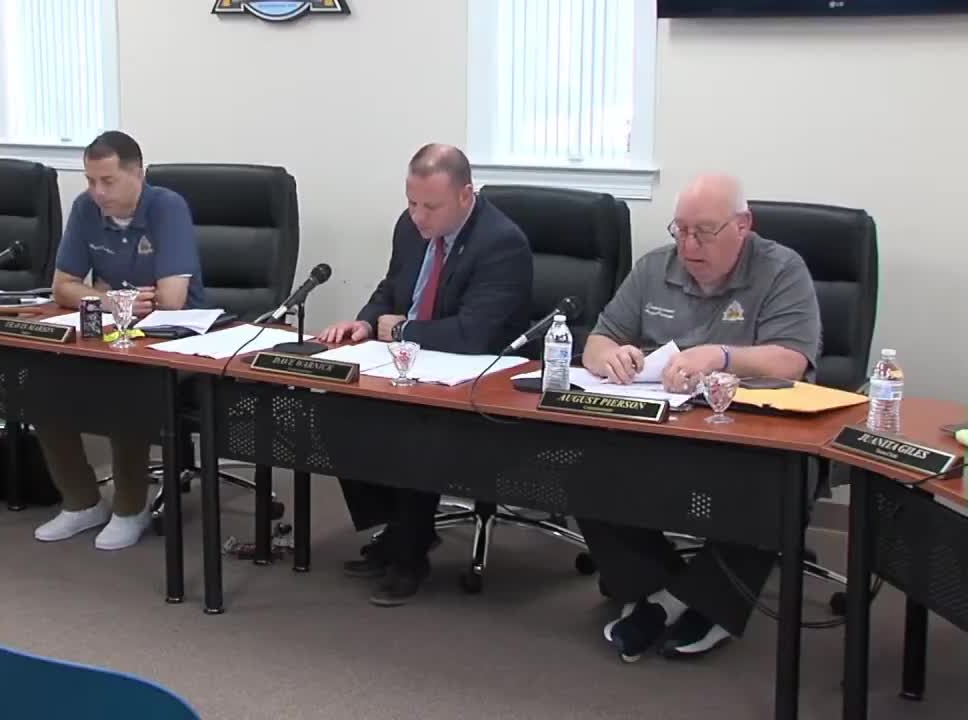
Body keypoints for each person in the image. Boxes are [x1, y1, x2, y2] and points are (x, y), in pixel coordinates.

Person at [577, 173, 821, 661]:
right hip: (665, 420)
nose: (689, 245)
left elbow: (791, 360)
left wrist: (720, 355)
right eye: (681, 230)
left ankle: (702, 607)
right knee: (584, 463)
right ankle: (653, 589)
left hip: (752, 429)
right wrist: (611, 357)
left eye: (704, 232)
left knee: (773, 484)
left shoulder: (781, 270)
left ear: (743, 225)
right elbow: (598, 341)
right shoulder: (654, 267)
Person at [317, 143, 533, 606]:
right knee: (335, 402)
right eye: (412, 202)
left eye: (430, 206)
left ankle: (409, 555)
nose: (418, 216)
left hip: (478, 380)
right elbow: (391, 288)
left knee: (413, 423)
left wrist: (402, 330)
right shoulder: (410, 226)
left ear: (465, 195)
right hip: (409, 362)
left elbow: (474, 334)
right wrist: (365, 322)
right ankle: (398, 526)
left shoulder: (502, 243)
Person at [32, 130, 206, 550]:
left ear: (137, 174)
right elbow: (61, 287)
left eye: (107, 181)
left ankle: (131, 508)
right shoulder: (85, 208)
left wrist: (98, 292)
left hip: (176, 335)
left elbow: (171, 299)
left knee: (123, 385)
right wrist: (110, 298)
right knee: (41, 381)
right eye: (91, 181)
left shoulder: (167, 207)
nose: (97, 192)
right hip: (113, 329)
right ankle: (81, 502)